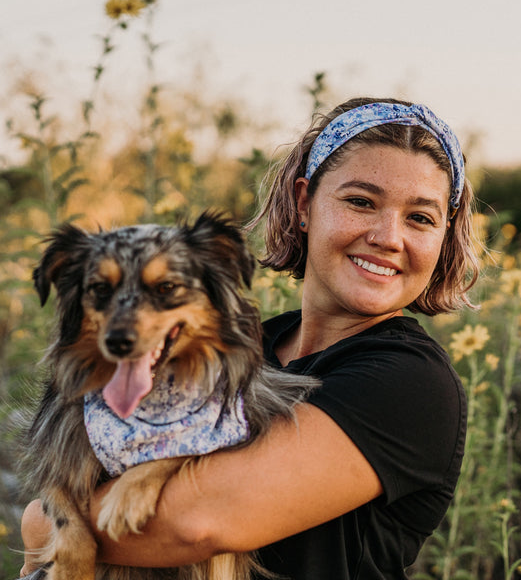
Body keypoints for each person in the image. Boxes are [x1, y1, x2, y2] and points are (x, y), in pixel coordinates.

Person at [21, 97, 479, 579]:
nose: (389, 236)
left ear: (442, 238)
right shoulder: (234, 347)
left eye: (420, 218)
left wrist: (44, 522)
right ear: (305, 204)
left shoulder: (409, 382)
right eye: (361, 202)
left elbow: (195, 523)